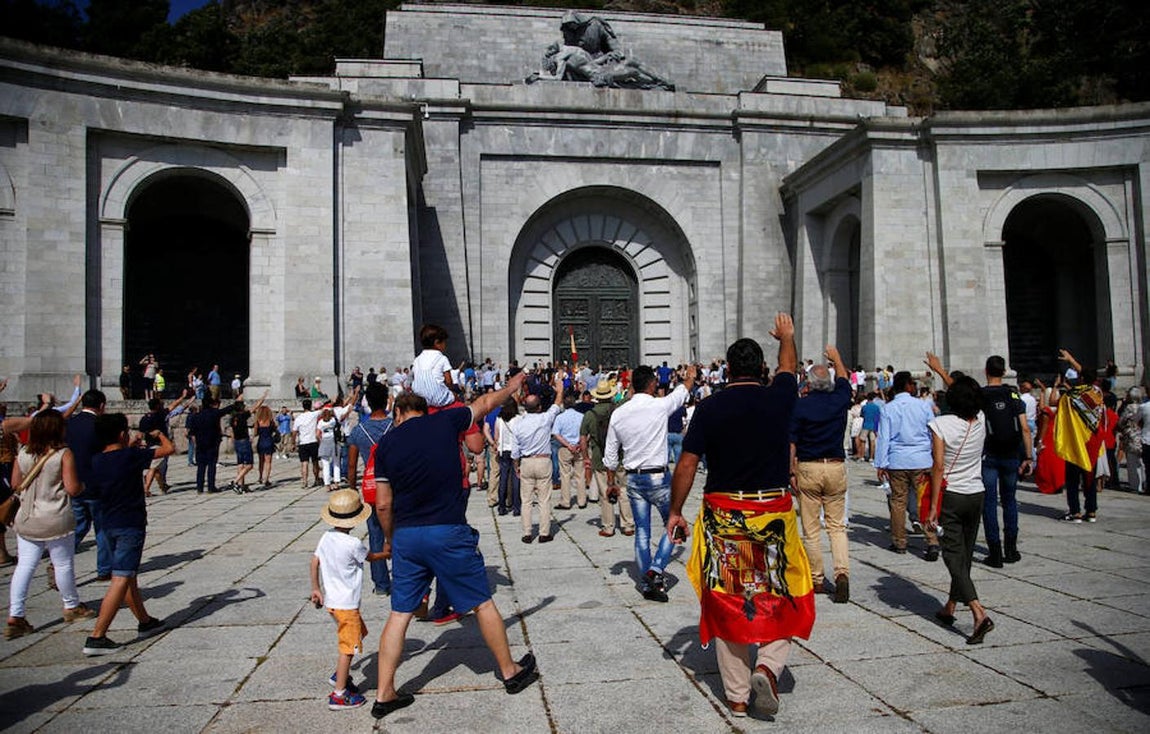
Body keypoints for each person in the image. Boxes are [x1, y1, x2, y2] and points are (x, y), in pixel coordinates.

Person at [667, 315, 815, 718]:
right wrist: (787, 336)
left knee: (729, 597)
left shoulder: (709, 408)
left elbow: (686, 464)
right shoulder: (780, 396)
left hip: (725, 514)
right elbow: (788, 367)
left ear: (728, 370)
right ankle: (767, 663)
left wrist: (676, 511)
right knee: (783, 590)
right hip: (772, 513)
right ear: (760, 369)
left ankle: (735, 694)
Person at [371, 377, 539, 720]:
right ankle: (509, 671)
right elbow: (487, 403)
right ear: (424, 410)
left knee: (400, 614)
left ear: (399, 412)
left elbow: (383, 505)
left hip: (408, 536)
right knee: (481, 602)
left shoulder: (386, 445)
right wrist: (512, 386)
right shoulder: (445, 420)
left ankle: (385, 692)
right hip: (447, 530)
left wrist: (390, 539)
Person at [81, 413, 172, 655]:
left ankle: (145, 621)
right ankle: (97, 636)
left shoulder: (97, 460)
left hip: (107, 523)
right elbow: (168, 449)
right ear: (122, 434)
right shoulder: (131, 456)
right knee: (121, 578)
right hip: (130, 524)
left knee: (128, 575)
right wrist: (159, 434)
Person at [604, 364, 694, 602]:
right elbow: (681, 392)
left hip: (634, 478)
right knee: (672, 524)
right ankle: (656, 569)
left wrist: (611, 482)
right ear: (653, 385)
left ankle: (646, 583)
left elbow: (611, 455)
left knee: (642, 532)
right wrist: (690, 377)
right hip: (658, 477)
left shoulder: (619, 413)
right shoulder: (659, 406)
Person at [6, 410, 96, 641]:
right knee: (63, 563)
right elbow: (73, 488)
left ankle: (16, 615)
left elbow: (16, 484)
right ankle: (71, 605)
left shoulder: (23, 452)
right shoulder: (63, 454)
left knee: (25, 566)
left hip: (27, 518)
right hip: (55, 516)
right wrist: (84, 486)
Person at [924, 375, 994, 645]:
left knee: (953, 555)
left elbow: (938, 466)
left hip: (951, 496)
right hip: (976, 493)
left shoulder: (939, 424)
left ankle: (978, 613)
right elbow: (969, 388)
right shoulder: (982, 420)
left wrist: (932, 508)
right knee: (964, 555)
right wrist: (941, 370)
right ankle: (950, 607)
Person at [310, 489, 389, 710]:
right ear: (356, 519)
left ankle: (341, 674)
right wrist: (387, 553)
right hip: (347, 605)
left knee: (359, 633)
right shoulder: (353, 544)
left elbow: (314, 562)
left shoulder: (326, 537)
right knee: (348, 648)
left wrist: (316, 588)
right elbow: (371, 557)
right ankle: (339, 693)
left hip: (333, 604)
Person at [789, 345, 852, 603]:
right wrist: (837, 358)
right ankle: (842, 573)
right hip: (835, 465)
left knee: (811, 528)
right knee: (837, 527)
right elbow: (844, 380)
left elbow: (791, 441)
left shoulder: (800, 407)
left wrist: (790, 470)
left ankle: (817, 579)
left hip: (809, 467)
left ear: (809, 384)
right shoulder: (839, 400)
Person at [875, 368, 940, 560]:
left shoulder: (889, 408)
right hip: (921, 459)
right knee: (924, 501)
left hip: (897, 461)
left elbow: (884, 438)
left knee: (898, 502)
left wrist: (880, 463)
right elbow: (932, 432)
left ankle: (900, 542)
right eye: (913, 383)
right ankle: (932, 540)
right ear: (907, 386)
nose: (915, 386)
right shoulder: (923, 406)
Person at [975, 356, 1032, 566]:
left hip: (989, 454)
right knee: (1009, 501)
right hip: (1011, 455)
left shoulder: (980, 395)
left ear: (986, 370)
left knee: (989, 503)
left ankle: (995, 553)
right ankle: (1011, 549)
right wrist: (1028, 456)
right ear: (1005, 371)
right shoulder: (1013, 393)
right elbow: (1025, 427)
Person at [346, 383, 393, 596]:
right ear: (386, 401)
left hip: (371, 487)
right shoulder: (395, 427)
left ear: (367, 403)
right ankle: (403, 579)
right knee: (398, 532)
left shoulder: (358, 431)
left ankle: (382, 585)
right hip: (394, 487)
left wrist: (351, 490)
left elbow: (352, 465)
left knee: (375, 534)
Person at [1054, 349, 1104, 522]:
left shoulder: (1069, 397)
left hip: (1075, 444)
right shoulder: (1097, 393)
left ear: (1081, 378)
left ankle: (1075, 511)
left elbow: (1057, 412)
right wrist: (1072, 360)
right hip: (1092, 442)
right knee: (1090, 478)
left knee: (1073, 481)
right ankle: (1091, 512)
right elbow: (1087, 375)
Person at [580, 381, 635, 537]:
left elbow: (583, 439)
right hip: (619, 456)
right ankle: (628, 525)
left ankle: (608, 526)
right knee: (624, 491)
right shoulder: (617, 409)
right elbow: (630, 395)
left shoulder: (589, 415)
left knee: (605, 493)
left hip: (599, 458)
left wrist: (586, 458)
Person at [67, 389, 110, 580]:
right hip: (97, 484)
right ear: (101, 405)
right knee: (102, 528)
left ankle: (60, 558)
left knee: (79, 525)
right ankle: (104, 569)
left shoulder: (70, 424)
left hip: (74, 482)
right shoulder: (101, 425)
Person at [186, 393, 244, 494]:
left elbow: (192, 433)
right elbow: (227, 409)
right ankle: (210, 487)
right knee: (211, 465)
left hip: (200, 445)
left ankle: (199, 488)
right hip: (212, 443)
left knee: (201, 467)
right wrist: (238, 401)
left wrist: (196, 444)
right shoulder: (214, 413)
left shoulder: (196, 416)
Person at [139, 390, 192, 497]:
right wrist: (182, 397)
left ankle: (163, 486)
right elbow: (173, 406)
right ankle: (146, 488)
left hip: (149, 445)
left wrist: (142, 443)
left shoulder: (144, 418)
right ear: (158, 406)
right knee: (153, 468)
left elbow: (141, 433)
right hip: (160, 445)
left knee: (156, 468)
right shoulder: (160, 415)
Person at [552, 392, 587, 509]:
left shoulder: (560, 417)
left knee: (565, 475)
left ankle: (565, 501)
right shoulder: (582, 416)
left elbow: (556, 433)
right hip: (579, 447)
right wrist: (579, 443)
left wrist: (567, 444)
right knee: (580, 475)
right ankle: (582, 501)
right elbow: (587, 433)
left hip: (565, 447)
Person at [411, 324, 456, 408]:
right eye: (444, 342)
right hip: (439, 398)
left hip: (421, 400)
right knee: (456, 397)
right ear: (437, 343)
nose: (445, 345)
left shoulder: (417, 360)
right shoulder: (442, 358)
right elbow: (449, 381)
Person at [1117, 388, 1144, 494]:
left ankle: (1135, 485)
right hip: (1141, 436)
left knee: (1132, 462)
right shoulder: (1142, 407)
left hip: (1131, 436)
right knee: (1141, 463)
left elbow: (1121, 421)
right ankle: (1142, 483)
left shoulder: (1129, 407)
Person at [254, 404, 277, 487]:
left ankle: (260, 477)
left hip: (261, 441)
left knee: (261, 461)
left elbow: (255, 433)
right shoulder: (270, 421)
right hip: (269, 441)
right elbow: (275, 429)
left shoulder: (258, 421)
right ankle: (266, 479)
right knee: (268, 462)